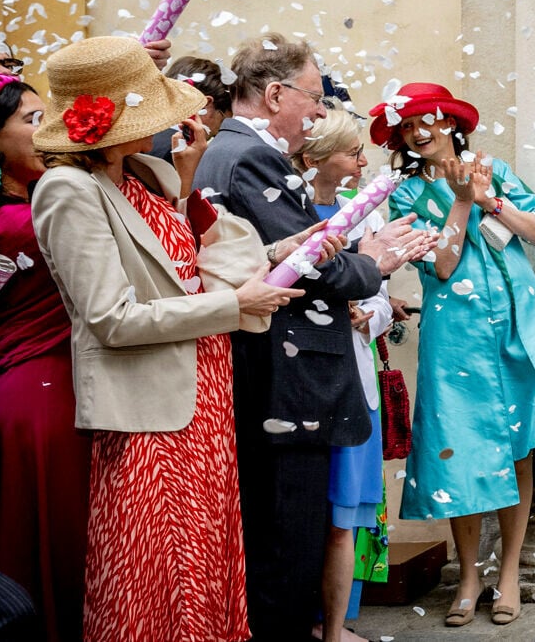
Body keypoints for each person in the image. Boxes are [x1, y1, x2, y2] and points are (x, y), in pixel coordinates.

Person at [28, 35, 331, 640]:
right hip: (150, 414)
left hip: (202, 404)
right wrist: (234, 304)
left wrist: (278, 252)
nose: (169, 122)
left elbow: (181, 266)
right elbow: (111, 319)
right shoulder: (69, 190)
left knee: (203, 566)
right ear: (112, 120)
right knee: (157, 576)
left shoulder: (140, 173)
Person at [192, 33, 428, 640]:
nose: (321, 112)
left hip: (269, 370)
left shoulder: (233, 151)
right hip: (283, 380)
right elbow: (310, 270)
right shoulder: (249, 155)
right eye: (315, 98)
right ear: (275, 95)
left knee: (279, 540)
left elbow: (293, 252)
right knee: (285, 547)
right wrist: (372, 261)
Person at [372, 82, 535, 627]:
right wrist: (461, 200)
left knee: (520, 448)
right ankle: (469, 577)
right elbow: (443, 267)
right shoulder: (403, 195)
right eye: (406, 126)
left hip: (520, 327)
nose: (416, 132)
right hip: (456, 337)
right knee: (459, 448)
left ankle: (510, 574)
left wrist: (490, 195)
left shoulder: (492, 168)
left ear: (450, 123)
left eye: (425, 120)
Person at [290, 106, 436, 642]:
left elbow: (377, 295)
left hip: (352, 376)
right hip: (299, 382)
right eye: (353, 151)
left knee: (346, 514)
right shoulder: (291, 208)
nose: (363, 160)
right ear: (317, 157)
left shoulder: (366, 212)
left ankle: (336, 625)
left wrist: (367, 314)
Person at [0, 74, 89, 642]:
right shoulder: (19, 221)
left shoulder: (43, 201)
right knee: (54, 540)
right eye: (32, 121)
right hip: (41, 396)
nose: (48, 130)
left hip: (65, 384)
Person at [149, 55, 233, 162]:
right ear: (204, 105)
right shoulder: (180, 151)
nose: (216, 134)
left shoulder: (142, 136)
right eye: (221, 121)